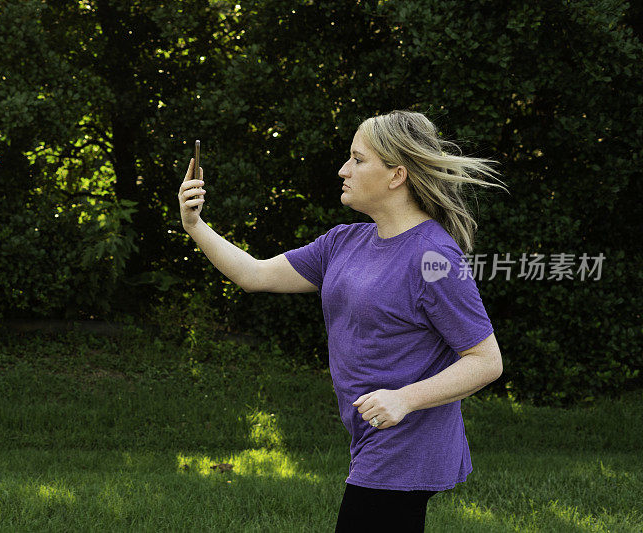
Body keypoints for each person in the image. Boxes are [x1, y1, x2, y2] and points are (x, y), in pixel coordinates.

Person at [177, 110, 508, 532]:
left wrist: (404, 399)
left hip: (405, 444)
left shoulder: (433, 257)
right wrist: (195, 225)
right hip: (370, 435)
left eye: (357, 159)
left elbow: (485, 360)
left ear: (396, 176)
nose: (343, 169)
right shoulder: (343, 242)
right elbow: (254, 275)